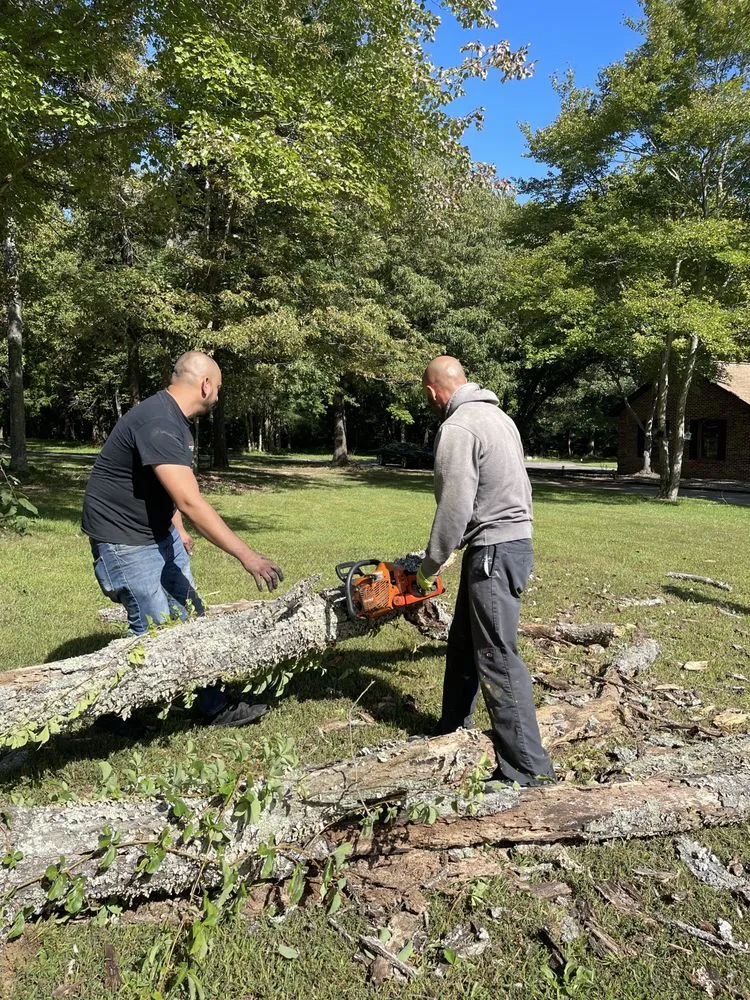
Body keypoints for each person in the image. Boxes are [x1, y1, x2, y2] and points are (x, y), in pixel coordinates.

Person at [82, 351, 284, 728]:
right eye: (219, 388)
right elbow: (191, 499)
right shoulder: (159, 421)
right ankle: (115, 715)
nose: (218, 396)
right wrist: (248, 556)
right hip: (125, 540)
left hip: (157, 532)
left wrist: (175, 525)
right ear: (206, 384)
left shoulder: (172, 418)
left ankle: (213, 705)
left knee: (192, 617)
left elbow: (159, 485)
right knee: (153, 628)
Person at [415, 356, 555, 788]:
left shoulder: (458, 427)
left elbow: (454, 506)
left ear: (432, 392)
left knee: (496, 654)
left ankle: (528, 768)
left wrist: (430, 564)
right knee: (463, 642)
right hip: (507, 543)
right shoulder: (498, 417)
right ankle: (451, 729)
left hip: (494, 550)